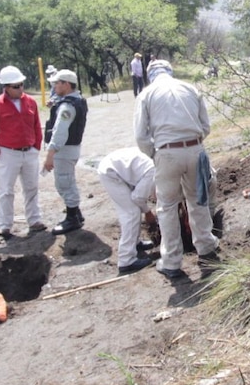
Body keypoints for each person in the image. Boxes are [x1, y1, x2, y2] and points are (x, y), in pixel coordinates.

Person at [133, 60, 220, 280]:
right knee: (197, 199)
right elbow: (206, 126)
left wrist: (155, 154)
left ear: (150, 75)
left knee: (167, 206)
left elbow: (141, 136)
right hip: (195, 149)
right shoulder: (190, 88)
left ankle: (171, 262)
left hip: (167, 152)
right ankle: (207, 249)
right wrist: (194, 144)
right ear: (170, 72)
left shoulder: (146, 94)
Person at [0, 65, 47, 239]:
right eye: (16, 86)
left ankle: (34, 220)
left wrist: (36, 146)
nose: (20, 89)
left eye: (22, 84)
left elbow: (36, 125)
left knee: (31, 187)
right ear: (6, 87)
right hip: (8, 153)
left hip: (29, 151)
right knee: (6, 190)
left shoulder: (30, 102)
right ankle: (4, 226)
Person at [97, 147, 158, 275]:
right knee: (131, 212)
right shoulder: (152, 172)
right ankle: (127, 260)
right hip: (111, 173)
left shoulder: (154, 166)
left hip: (119, 169)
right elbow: (138, 197)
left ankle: (135, 243)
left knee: (132, 209)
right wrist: (148, 212)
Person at [43, 69, 88, 235]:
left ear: (66, 84)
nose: (54, 86)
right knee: (66, 181)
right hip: (71, 148)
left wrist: (50, 154)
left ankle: (72, 218)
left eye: (57, 83)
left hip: (65, 150)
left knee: (64, 182)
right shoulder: (75, 101)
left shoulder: (68, 105)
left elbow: (60, 131)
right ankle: (75, 213)